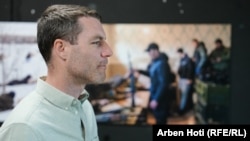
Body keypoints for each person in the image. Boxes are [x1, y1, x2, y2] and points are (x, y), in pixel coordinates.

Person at [0, 4, 112, 141]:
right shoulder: (25, 127)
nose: (108, 52)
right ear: (61, 49)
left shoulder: (84, 107)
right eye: (96, 42)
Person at [136, 42, 171, 124]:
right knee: (158, 119)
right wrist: (139, 71)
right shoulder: (155, 62)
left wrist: (156, 99)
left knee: (161, 120)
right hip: (155, 94)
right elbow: (151, 74)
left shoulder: (162, 63)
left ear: (155, 51)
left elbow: (163, 83)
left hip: (161, 98)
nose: (149, 54)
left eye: (149, 51)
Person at [177, 48, 195, 115]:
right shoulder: (182, 60)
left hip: (186, 80)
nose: (178, 55)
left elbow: (190, 70)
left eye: (179, 54)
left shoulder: (188, 60)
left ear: (181, 53)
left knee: (185, 95)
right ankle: (185, 108)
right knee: (183, 95)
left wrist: (189, 79)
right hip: (182, 79)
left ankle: (181, 110)